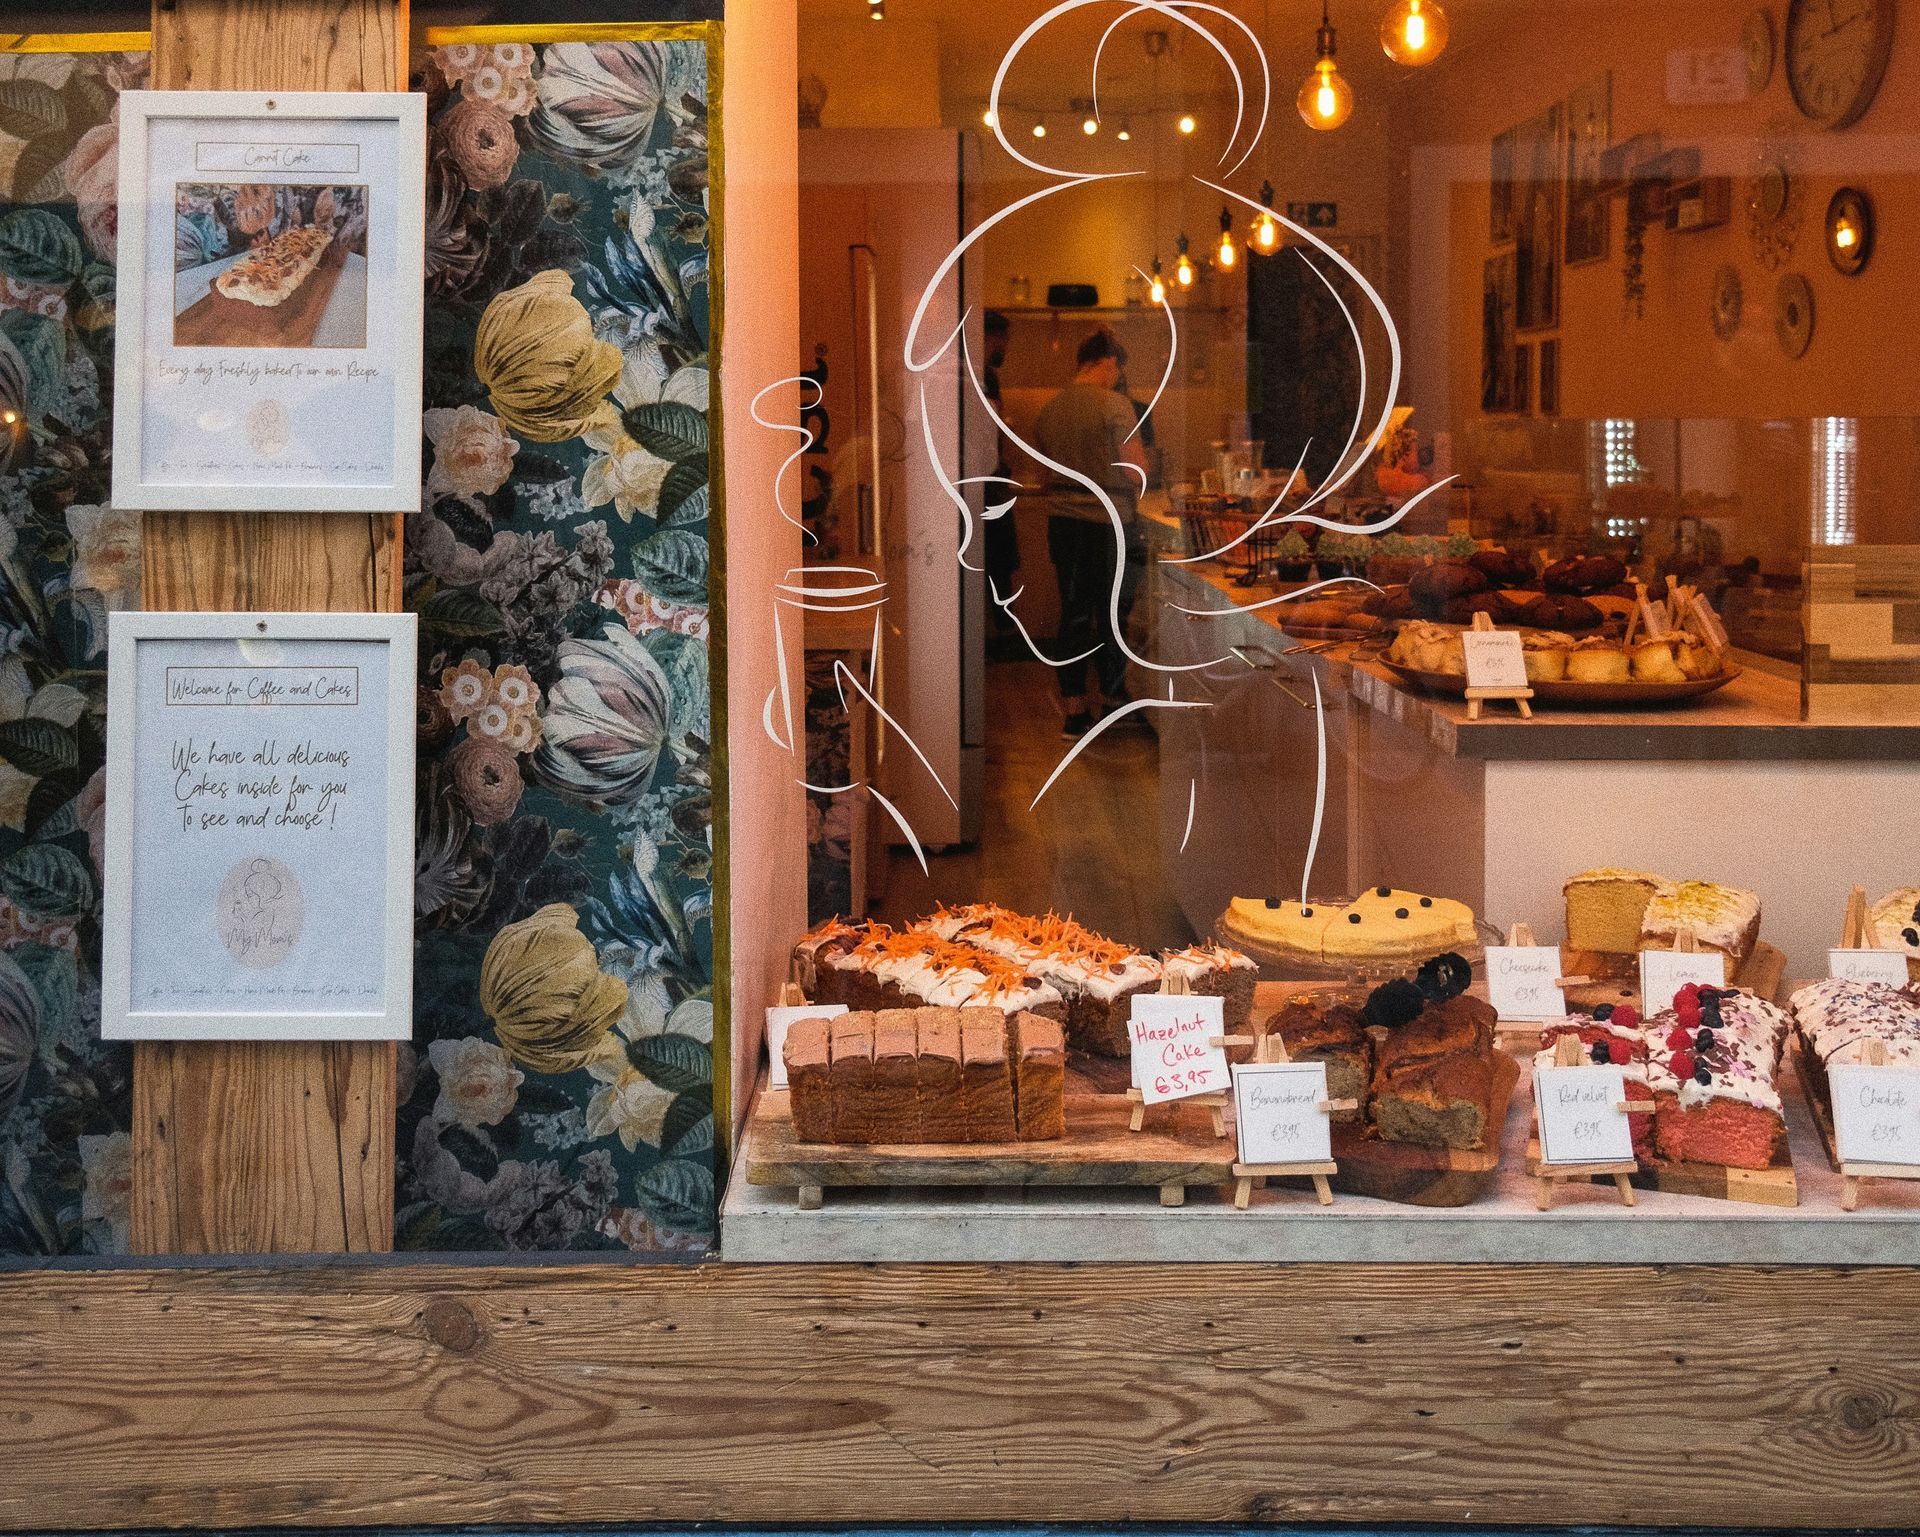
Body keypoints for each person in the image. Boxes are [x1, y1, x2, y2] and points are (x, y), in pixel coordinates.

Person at [1032, 327, 1148, 737]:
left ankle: (1075, 710)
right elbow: (1137, 472)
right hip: (1109, 525)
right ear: (1110, 363)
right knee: (1112, 615)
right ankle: (1114, 700)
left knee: (1074, 613)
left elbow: (1045, 476)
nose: (1118, 377)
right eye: (1118, 369)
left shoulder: (1050, 410)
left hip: (1063, 525)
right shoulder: (1115, 406)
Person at [980, 311, 1021, 645]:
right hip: (987, 484)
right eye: (1003, 339)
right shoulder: (985, 376)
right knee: (997, 561)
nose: (1005, 346)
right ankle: (1001, 635)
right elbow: (991, 424)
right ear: (991, 337)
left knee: (988, 562)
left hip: (983, 482)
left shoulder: (975, 374)